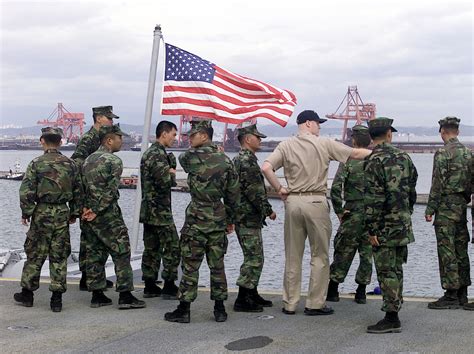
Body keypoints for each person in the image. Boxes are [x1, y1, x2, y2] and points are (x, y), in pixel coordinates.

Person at [261, 110, 371, 316]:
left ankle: (290, 303)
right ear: (309, 123)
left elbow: (266, 168)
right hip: (316, 200)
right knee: (319, 255)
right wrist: (379, 153)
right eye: (318, 124)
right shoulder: (324, 143)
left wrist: (280, 189)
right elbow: (356, 153)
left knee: (293, 255)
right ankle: (314, 304)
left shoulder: (285, 145)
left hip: (293, 202)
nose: (320, 127)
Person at [164, 120, 239, 323]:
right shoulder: (225, 160)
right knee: (217, 265)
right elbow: (233, 195)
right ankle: (220, 309)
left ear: (204, 135)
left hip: (196, 217)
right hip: (218, 216)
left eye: (193, 135)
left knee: (190, 264)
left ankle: (184, 308)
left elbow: (182, 157)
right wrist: (230, 220)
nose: (189, 138)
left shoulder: (191, 157)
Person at [14, 127, 82, 312]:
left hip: (41, 212)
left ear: (42, 140)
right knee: (59, 255)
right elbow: (78, 191)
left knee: (35, 252)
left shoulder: (36, 164)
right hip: (62, 212)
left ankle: (27, 294)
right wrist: (74, 212)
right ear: (60, 142)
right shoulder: (71, 164)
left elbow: (26, 191)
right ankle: (56, 298)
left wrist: (26, 212)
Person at [81, 125, 145, 310]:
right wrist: (97, 209)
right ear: (109, 140)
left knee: (94, 253)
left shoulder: (87, 160)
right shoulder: (114, 161)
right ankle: (125, 295)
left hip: (88, 216)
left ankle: (97, 295)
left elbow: (81, 188)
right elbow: (110, 190)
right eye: (119, 138)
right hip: (108, 215)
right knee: (122, 251)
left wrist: (85, 210)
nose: (121, 141)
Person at [364, 117, 418, 334]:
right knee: (396, 268)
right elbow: (412, 186)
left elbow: (373, 199)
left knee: (386, 271)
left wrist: (371, 229)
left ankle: (391, 316)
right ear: (389, 133)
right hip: (402, 223)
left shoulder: (373, 160)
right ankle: (395, 306)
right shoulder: (404, 157)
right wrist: (407, 210)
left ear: (371, 136)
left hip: (384, 226)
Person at [425, 117, 472, 310]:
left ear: (443, 132)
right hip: (461, 205)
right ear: (458, 132)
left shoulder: (443, 153)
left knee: (446, 249)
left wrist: (430, 209)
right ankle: (463, 292)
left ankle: (450, 293)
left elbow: (437, 184)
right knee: (461, 248)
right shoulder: (469, 154)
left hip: (445, 206)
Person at [71, 105, 118, 291]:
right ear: (99, 118)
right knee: (89, 240)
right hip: (88, 197)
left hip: (98, 197)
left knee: (98, 242)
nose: (111, 121)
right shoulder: (89, 139)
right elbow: (77, 165)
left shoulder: (102, 138)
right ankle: (87, 277)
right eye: (109, 118)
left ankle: (94, 276)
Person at [232, 123, 276, 313]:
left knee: (255, 256)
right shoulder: (247, 161)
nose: (260, 140)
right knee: (254, 258)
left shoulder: (242, 159)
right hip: (247, 216)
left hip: (245, 216)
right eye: (257, 137)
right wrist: (268, 210)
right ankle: (243, 298)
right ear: (248, 139)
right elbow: (254, 191)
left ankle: (252, 292)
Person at [327, 125, 373, 304]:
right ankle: (361, 291)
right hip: (371, 213)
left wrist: (339, 210)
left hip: (352, 212)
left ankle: (333, 289)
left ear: (353, 140)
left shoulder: (348, 160)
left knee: (344, 250)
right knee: (367, 253)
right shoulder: (374, 160)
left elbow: (336, 187)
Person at [140, 120, 180, 299]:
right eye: (173, 134)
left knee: (152, 247)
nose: (174, 138)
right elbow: (163, 182)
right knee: (172, 246)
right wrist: (171, 172)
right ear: (164, 133)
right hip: (160, 210)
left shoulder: (150, 153)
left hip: (150, 210)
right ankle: (169, 285)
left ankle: (149, 284)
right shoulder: (157, 155)